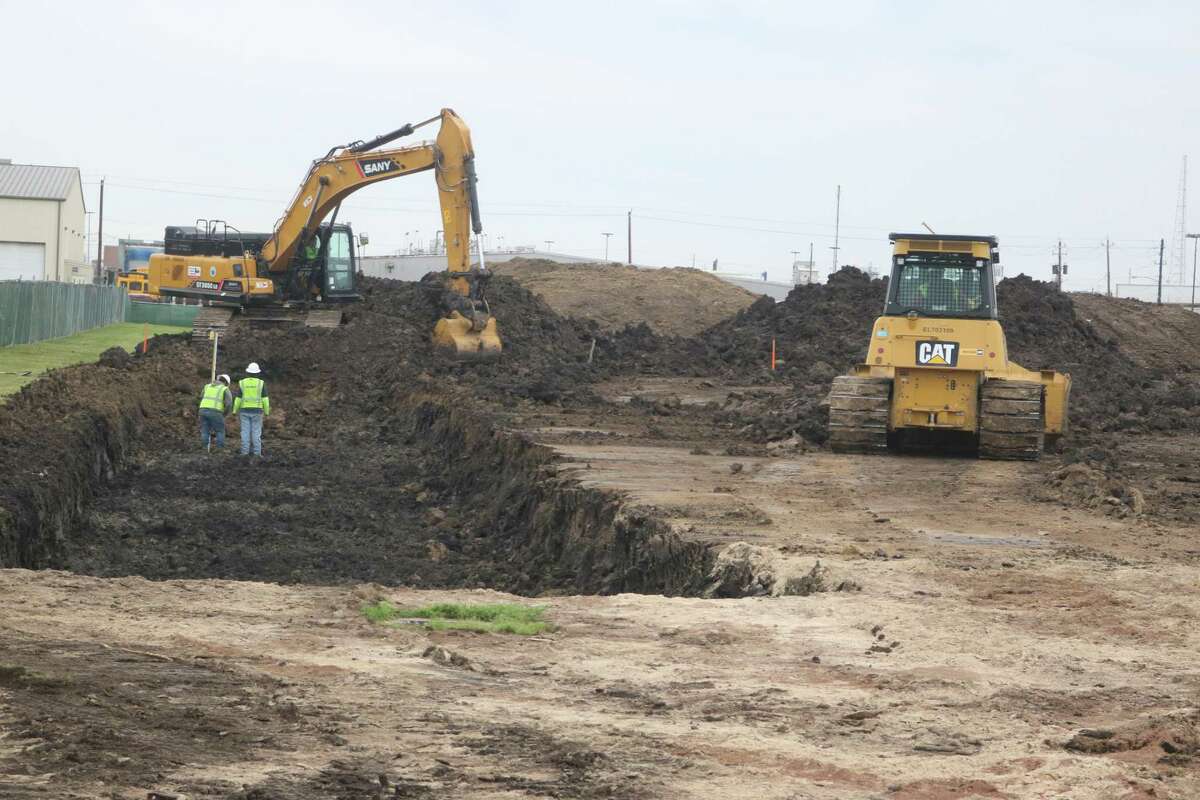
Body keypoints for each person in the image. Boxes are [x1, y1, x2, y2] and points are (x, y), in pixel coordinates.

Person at [234, 362, 271, 457]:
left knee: (245, 432)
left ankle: (244, 453)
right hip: (257, 411)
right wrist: (266, 412)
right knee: (256, 433)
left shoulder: (242, 383)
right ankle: (257, 454)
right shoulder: (261, 383)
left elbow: (238, 398)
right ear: (257, 373)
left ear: (248, 372)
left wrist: (234, 410)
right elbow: (265, 399)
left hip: (244, 410)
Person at [198, 374, 233, 451]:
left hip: (203, 410)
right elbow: (229, 403)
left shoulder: (207, 386)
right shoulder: (224, 389)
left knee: (205, 430)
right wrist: (224, 414)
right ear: (226, 383)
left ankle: (204, 449)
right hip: (215, 412)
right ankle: (219, 450)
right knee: (220, 431)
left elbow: (201, 397)